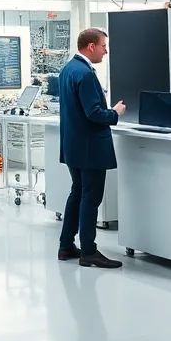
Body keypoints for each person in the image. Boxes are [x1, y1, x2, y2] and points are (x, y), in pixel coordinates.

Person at [57, 28, 125, 269]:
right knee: (90, 197)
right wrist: (114, 113)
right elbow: (94, 113)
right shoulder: (85, 74)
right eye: (103, 46)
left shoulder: (67, 70)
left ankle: (66, 245)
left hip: (74, 145)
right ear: (91, 47)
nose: (106, 50)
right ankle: (89, 251)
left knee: (77, 193)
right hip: (90, 147)